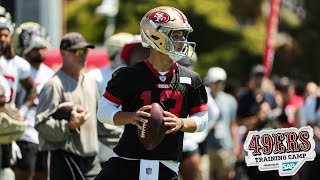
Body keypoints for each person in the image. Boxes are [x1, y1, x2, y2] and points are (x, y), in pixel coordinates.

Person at [95, 6, 208, 180]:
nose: (182, 41)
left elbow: (202, 118)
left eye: (183, 35)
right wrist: (130, 117)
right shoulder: (128, 75)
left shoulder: (191, 79)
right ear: (155, 36)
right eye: (176, 35)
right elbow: (103, 111)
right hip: (126, 159)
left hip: (166, 163)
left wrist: (181, 122)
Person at [35, 32, 102, 180]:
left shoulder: (91, 83)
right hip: (62, 158)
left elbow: (101, 125)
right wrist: (70, 126)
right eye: (78, 51)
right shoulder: (54, 85)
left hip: (91, 160)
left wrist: (129, 140)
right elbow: (41, 124)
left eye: (85, 51)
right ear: (63, 53)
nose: (83, 55)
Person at [12, 22, 54, 180]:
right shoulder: (20, 69)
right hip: (24, 133)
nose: (41, 51)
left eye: (43, 47)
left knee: (43, 176)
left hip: (44, 135)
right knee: (25, 175)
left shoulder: (49, 73)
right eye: (36, 48)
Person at [0, 6, 36, 180]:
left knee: (7, 172)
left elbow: (32, 89)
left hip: (6, 124)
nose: (2, 39)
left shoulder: (18, 64)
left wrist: (22, 111)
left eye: (5, 35)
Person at [205, 67, 240, 180]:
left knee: (225, 176)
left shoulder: (230, 100)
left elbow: (233, 124)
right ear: (209, 82)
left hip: (225, 146)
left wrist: (236, 145)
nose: (219, 85)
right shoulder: (203, 99)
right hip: (206, 147)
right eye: (216, 82)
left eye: (222, 82)